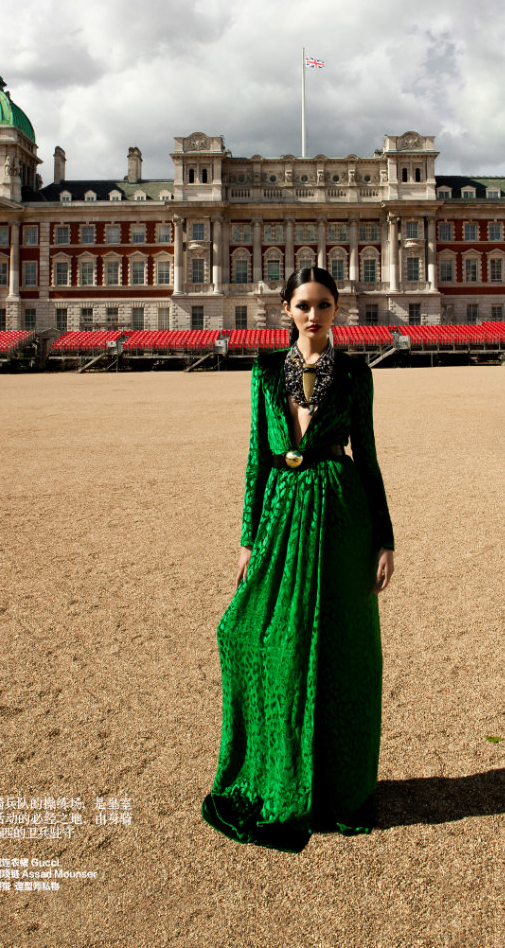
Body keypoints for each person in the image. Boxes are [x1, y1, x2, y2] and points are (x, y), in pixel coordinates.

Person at [201, 266, 395, 853]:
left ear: (337, 310)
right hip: (283, 510)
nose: (315, 315)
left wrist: (385, 537)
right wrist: (246, 537)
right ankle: (278, 773)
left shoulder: (357, 373)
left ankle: (341, 786)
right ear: (286, 308)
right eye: (305, 305)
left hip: (343, 511)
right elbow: (256, 459)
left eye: (325, 305)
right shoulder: (262, 372)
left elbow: (369, 456)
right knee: (255, 634)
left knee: (343, 646)